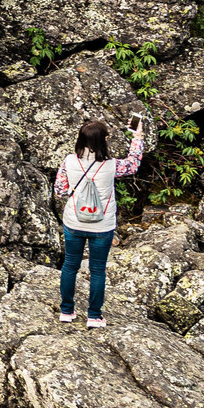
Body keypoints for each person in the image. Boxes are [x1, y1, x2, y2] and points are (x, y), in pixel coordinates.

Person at [55, 115, 145, 328]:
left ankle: (66, 311)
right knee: (97, 270)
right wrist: (137, 136)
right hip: (102, 226)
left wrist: (76, 193)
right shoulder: (112, 166)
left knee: (70, 266)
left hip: (74, 222)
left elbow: (59, 191)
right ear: (104, 140)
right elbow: (133, 164)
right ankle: (94, 316)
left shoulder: (69, 161)